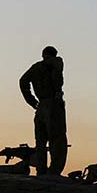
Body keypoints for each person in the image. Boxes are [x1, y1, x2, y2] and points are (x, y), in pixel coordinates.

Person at [19, 46, 67, 175]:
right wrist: (57, 91)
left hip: (40, 106)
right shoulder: (56, 62)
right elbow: (57, 76)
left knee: (40, 141)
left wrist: (32, 101)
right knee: (57, 139)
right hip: (53, 103)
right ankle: (54, 172)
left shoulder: (36, 67)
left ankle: (41, 170)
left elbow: (23, 81)